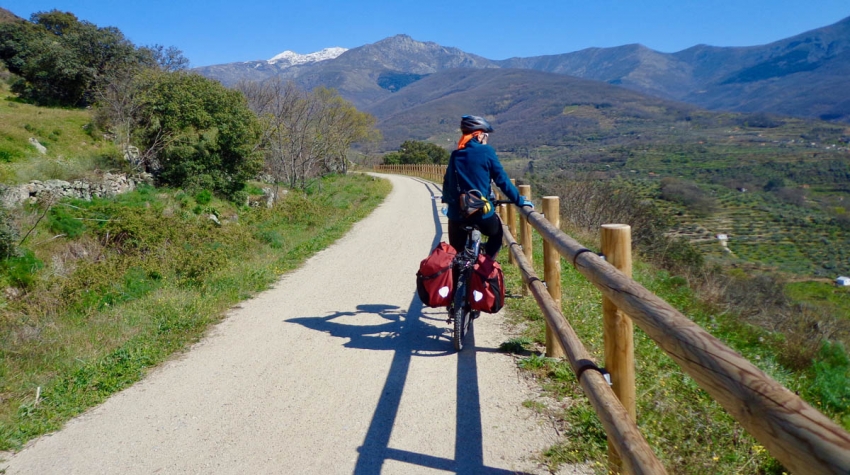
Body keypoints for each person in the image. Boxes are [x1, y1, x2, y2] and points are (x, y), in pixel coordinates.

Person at [442, 115, 533, 259]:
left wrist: (448, 202)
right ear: (478, 135)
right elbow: (502, 180)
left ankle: (458, 280)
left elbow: (447, 181)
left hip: (456, 215)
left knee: (456, 255)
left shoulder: (455, 154)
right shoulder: (486, 152)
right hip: (480, 213)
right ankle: (487, 265)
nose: (487, 138)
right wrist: (518, 200)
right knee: (497, 234)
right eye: (486, 135)